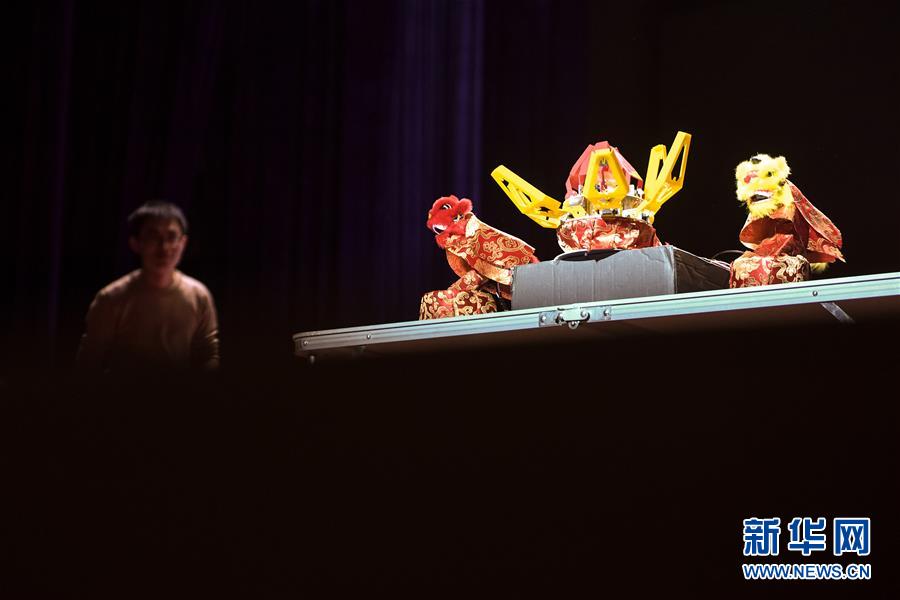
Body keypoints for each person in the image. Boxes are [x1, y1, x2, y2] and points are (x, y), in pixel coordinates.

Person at [76, 201, 220, 372]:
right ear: (136, 243)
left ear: (183, 243)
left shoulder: (199, 295)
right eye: (153, 237)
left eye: (171, 237)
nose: (164, 247)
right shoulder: (111, 298)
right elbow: (89, 361)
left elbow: (209, 355)